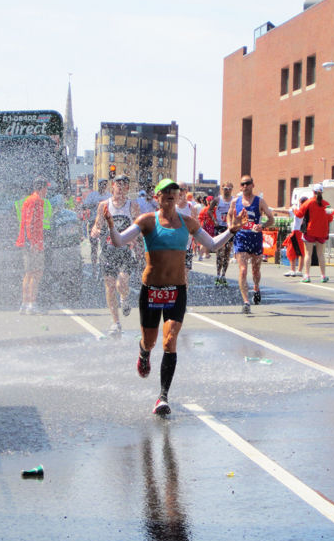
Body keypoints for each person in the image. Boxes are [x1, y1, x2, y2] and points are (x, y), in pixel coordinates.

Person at [103, 178, 246, 415]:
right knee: (150, 340)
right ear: (156, 197)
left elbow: (211, 245)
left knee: (169, 341)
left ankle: (162, 397)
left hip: (176, 290)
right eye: (165, 191)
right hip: (152, 290)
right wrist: (110, 226)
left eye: (174, 191)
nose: (171, 194)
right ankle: (144, 352)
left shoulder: (188, 222)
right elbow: (119, 241)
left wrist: (231, 231)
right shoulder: (147, 221)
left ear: (179, 196)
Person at [91, 175, 140, 336]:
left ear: (128, 188)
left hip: (125, 251)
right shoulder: (104, 205)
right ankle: (116, 322)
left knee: (121, 283)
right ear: (112, 186)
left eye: (124, 185)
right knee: (110, 286)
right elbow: (97, 226)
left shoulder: (132, 206)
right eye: (118, 185)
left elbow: (138, 227)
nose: (120, 188)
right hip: (108, 251)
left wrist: (136, 243)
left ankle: (125, 299)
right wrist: (96, 232)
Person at [228, 174, 275, 314]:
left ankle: (256, 287)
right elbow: (229, 216)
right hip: (241, 238)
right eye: (242, 184)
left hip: (255, 239)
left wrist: (262, 226)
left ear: (252, 185)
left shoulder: (259, 202)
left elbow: (271, 219)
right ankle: (246, 302)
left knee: (255, 270)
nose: (245, 186)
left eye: (247, 183)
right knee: (243, 270)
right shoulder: (235, 201)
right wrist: (231, 227)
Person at [15, 177, 48, 314]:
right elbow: (30, 222)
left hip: (27, 242)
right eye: (46, 188)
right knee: (36, 273)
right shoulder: (37, 201)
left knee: (28, 273)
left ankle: (25, 303)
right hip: (33, 243)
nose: (47, 191)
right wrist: (33, 242)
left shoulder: (28, 200)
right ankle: (32, 304)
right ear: (41, 188)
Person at [293, 183, 333, 284]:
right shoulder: (327, 204)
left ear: (313, 192)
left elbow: (299, 214)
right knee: (321, 254)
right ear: (322, 192)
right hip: (322, 232)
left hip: (310, 231)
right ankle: (323, 276)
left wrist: (294, 209)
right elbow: (331, 218)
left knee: (308, 254)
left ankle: (307, 275)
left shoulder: (308, 203)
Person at [83, 179, 109, 277]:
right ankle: (94, 268)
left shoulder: (109, 196)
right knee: (94, 247)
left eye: (105, 184)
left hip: (104, 223)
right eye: (102, 184)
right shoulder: (92, 195)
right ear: (98, 185)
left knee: (104, 247)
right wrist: (94, 205)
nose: (103, 186)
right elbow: (84, 206)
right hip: (93, 222)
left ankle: (102, 269)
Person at [214, 182, 235, 285]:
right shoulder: (218, 200)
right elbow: (209, 211)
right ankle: (217, 274)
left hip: (229, 229)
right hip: (220, 227)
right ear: (222, 189)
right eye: (225, 188)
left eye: (229, 189)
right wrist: (214, 220)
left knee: (227, 253)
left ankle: (223, 275)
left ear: (232, 190)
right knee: (219, 252)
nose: (227, 190)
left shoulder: (234, 200)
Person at [175, 182, 195, 285]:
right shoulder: (171, 207)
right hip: (172, 246)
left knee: (184, 274)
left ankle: (183, 299)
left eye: (183, 189)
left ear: (186, 191)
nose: (180, 192)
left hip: (187, 246)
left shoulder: (191, 207)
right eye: (178, 189)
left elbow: (196, 226)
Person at [283, 196, 307, 277]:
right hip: (295, 232)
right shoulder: (298, 209)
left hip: (299, 232)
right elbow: (286, 211)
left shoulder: (303, 210)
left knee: (300, 252)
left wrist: (294, 208)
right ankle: (292, 269)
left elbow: (298, 214)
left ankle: (299, 270)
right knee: (291, 251)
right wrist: (273, 209)